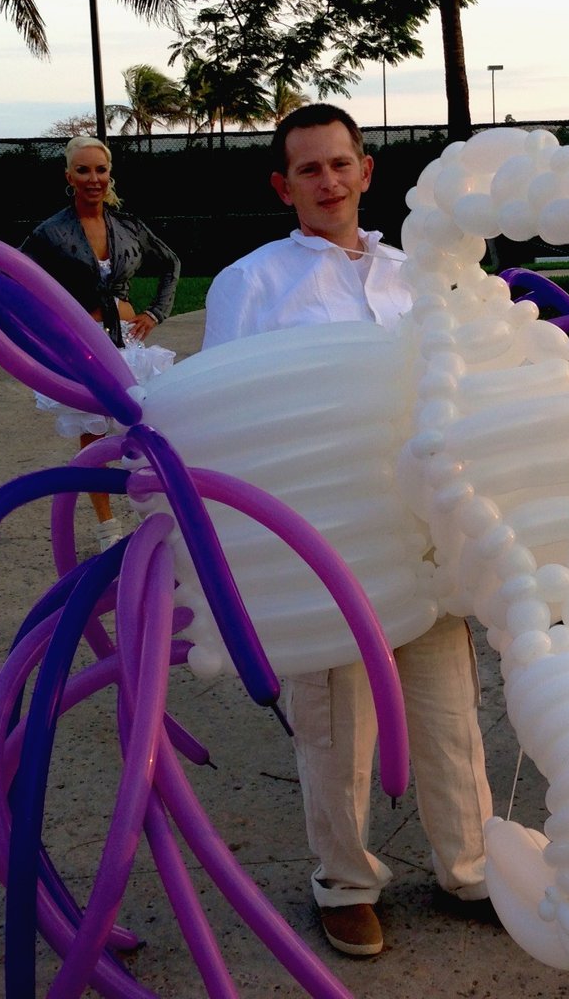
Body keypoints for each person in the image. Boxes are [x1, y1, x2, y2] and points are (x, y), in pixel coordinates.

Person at [202, 104, 493, 958]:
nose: (327, 182)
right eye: (308, 170)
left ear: (367, 171)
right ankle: (345, 881)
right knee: (336, 731)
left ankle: (470, 867)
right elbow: (223, 418)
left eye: (340, 164)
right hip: (318, 549)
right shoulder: (251, 285)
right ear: (281, 185)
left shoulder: (419, 274)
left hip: (423, 538)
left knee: (448, 717)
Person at [21, 136, 180, 547]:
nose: (93, 179)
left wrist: (155, 312)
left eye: (100, 170)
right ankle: (108, 528)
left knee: (147, 424)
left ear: (110, 175)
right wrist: (51, 328)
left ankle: (158, 514)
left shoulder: (128, 226)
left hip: (129, 341)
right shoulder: (50, 232)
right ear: (69, 176)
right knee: (94, 436)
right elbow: (15, 277)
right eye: (83, 170)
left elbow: (171, 264)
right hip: (84, 344)